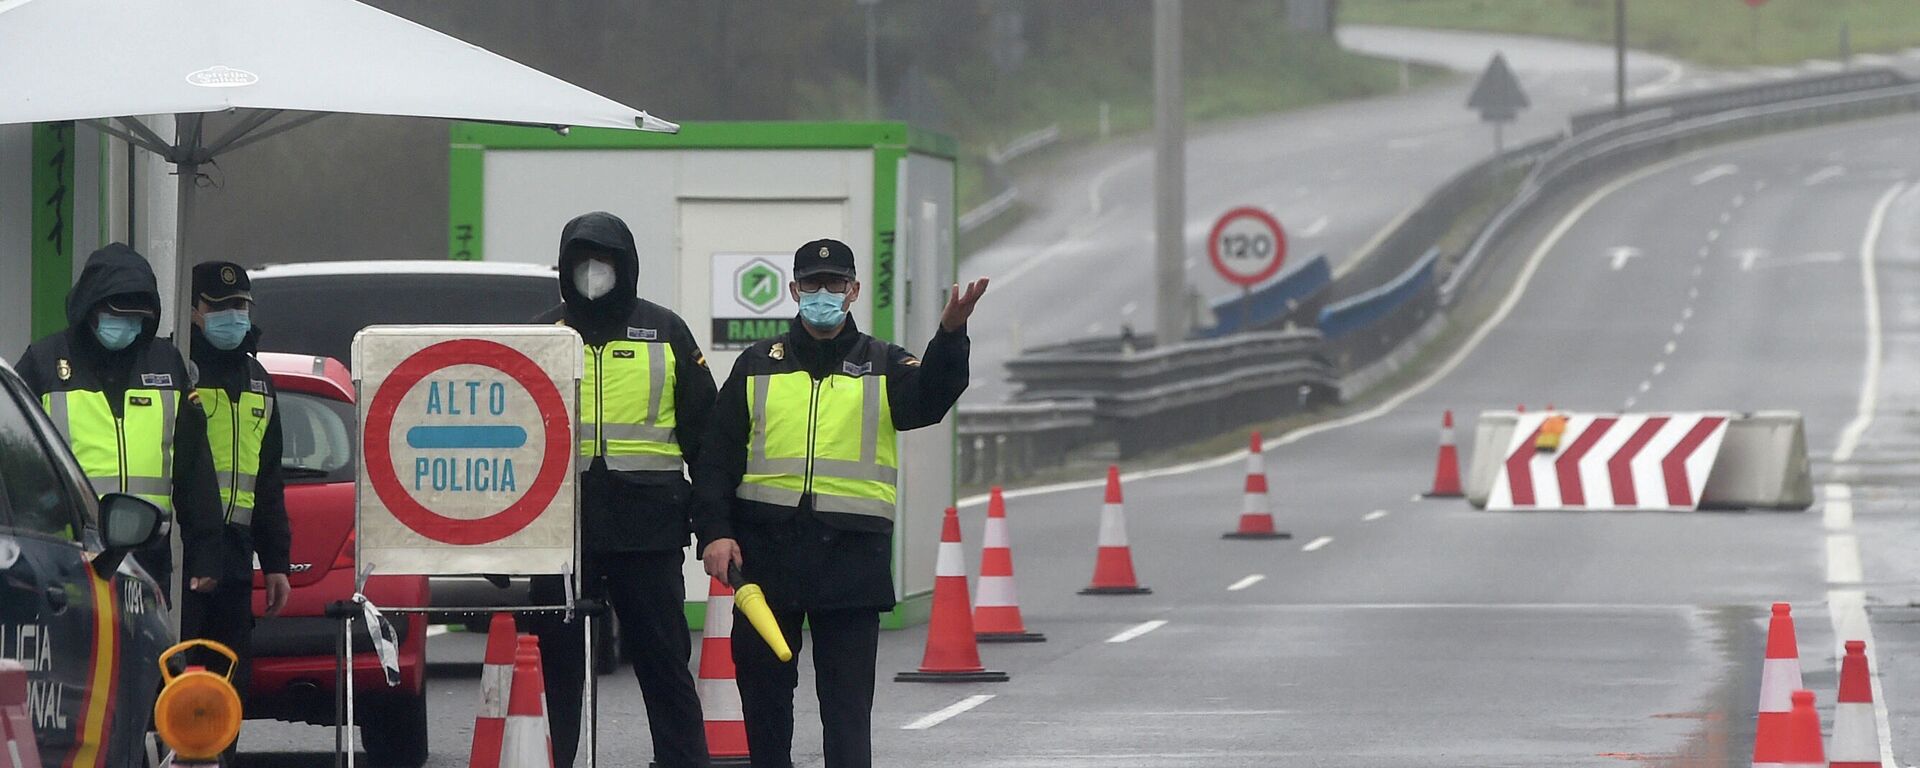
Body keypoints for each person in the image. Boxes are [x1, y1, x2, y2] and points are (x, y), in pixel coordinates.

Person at [692, 237, 987, 768]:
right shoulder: (757, 365)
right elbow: (717, 458)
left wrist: (950, 334)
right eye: (811, 284)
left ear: (852, 291)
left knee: (848, 716)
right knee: (765, 713)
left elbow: (932, 399)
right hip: (765, 563)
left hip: (851, 564)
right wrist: (714, 531)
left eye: (834, 284)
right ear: (794, 290)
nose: (822, 293)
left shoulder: (885, 363)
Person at [530, 211, 716, 768]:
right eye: (582, 261)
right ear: (564, 268)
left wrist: (715, 526)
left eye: (604, 260)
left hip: (649, 531)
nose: (593, 272)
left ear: (626, 265)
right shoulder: (540, 337)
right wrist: (503, 535)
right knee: (555, 673)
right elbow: (512, 445)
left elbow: (706, 440)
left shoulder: (667, 333)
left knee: (664, 665)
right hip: (561, 534)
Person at [13, 243, 225, 604]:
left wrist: (206, 552)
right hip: (67, 556)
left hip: (148, 558)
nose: (127, 326)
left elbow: (194, 467)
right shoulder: (45, 363)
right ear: (90, 308)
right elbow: (15, 460)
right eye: (117, 314)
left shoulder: (166, 364)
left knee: (147, 657)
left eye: (136, 319)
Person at [185, 261, 293, 718]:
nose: (233, 316)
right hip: (183, 553)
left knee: (230, 686)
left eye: (241, 306)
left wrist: (276, 564)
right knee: (179, 680)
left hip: (235, 556)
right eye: (221, 306)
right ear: (194, 311)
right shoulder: (179, 372)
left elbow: (267, 482)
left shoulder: (258, 381)